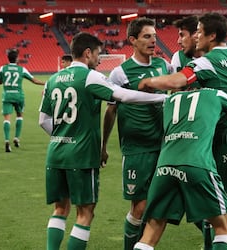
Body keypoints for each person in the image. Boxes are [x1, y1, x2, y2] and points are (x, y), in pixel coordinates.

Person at [138, 12, 227, 250]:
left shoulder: (205, 62)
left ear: (212, 35)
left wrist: (148, 82)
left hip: (220, 136)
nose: (197, 35)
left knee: (214, 204)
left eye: (200, 32)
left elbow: (177, 82)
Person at [38, 32, 168, 250]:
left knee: (60, 209)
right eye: (98, 53)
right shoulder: (90, 76)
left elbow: (43, 120)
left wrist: (64, 136)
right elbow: (124, 96)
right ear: (88, 53)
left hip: (56, 152)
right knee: (85, 213)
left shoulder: (53, 79)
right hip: (80, 155)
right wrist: (164, 97)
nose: (100, 59)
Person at [133, 85, 227, 250]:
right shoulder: (217, 94)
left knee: (150, 233)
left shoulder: (169, 100)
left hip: (164, 167)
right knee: (222, 228)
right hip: (198, 165)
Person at [101, 17, 173, 250]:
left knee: (163, 206)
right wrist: (103, 146)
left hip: (164, 147)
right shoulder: (120, 73)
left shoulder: (165, 66)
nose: (153, 40)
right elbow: (110, 111)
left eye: (154, 36)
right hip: (136, 149)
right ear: (132, 40)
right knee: (139, 208)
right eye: (147, 36)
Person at [171, 15, 213, 250]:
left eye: (181, 35)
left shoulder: (213, 58)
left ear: (196, 35)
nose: (178, 41)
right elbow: (174, 93)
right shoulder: (178, 59)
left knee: (205, 194)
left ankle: (215, 236)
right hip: (184, 135)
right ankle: (215, 232)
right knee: (185, 193)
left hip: (209, 135)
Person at [0, 48, 45, 152]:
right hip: (19, 96)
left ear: (8, 58)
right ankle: (17, 138)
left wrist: (5, 82)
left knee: (7, 119)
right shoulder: (21, 69)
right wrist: (46, 83)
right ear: (17, 59)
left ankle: (6, 141)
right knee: (19, 116)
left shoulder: (2, 68)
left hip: (7, 96)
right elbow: (34, 80)